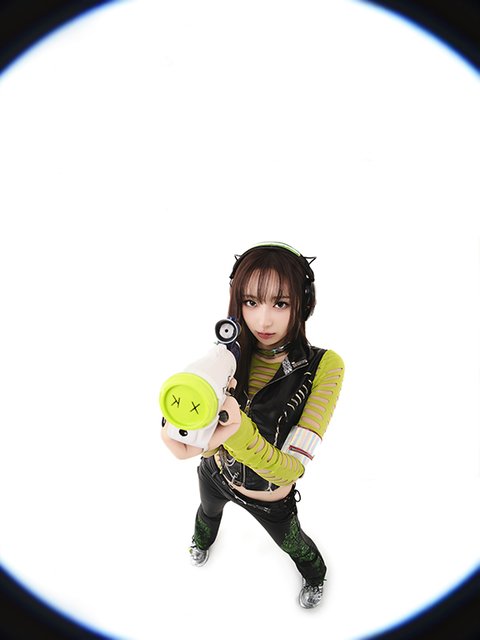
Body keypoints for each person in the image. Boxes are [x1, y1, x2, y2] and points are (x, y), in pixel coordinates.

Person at [161, 242, 344, 609]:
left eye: (281, 303)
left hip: (270, 498)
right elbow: (206, 437)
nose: (263, 321)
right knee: (206, 514)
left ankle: (316, 577)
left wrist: (238, 431)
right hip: (216, 474)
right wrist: (184, 424)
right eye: (250, 302)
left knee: (295, 545)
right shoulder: (228, 355)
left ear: (304, 303)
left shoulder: (325, 366)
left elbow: (292, 469)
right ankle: (202, 543)